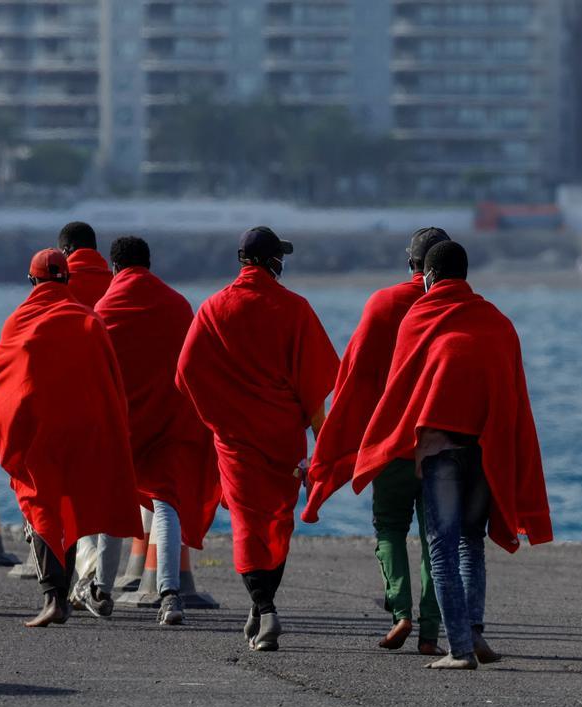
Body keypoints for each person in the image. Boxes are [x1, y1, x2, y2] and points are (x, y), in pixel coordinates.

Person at [352, 241, 553, 669]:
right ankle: (474, 633)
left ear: (427, 275)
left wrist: (381, 447)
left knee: (441, 548)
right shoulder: (497, 322)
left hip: (440, 455)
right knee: (470, 544)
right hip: (485, 454)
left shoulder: (418, 318)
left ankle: (459, 648)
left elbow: (402, 394)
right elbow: (514, 395)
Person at [176, 226, 339, 651]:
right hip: (284, 437)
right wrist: (324, 439)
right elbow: (316, 382)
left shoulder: (213, 309)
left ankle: (263, 607)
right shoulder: (295, 308)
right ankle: (264, 605)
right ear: (272, 263)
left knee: (247, 524)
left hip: (234, 438)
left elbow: (185, 374)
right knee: (277, 523)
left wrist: (214, 418)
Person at [303, 227, 451, 655]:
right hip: (440, 443)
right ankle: (430, 632)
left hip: (391, 445)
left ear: (411, 264)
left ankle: (400, 611)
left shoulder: (384, 305)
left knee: (389, 528)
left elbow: (353, 378)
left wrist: (336, 441)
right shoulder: (456, 309)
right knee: (435, 538)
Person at [0, 249, 142, 628]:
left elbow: (1, 374)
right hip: (84, 430)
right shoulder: (89, 319)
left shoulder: (20, 320)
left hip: (39, 432)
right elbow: (111, 385)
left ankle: (53, 596)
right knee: (71, 508)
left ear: (33, 280)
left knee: (41, 507)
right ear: (67, 279)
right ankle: (66, 593)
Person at [92, 236, 222, 625]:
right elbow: (194, 365)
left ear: (114, 268)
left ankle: (101, 590)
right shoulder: (177, 305)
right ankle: (170, 596)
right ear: (148, 265)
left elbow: (96, 372)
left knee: (114, 506)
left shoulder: (104, 308)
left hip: (122, 425)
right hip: (167, 424)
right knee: (166, 506)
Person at [55, 220, 122, 613]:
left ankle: (84, 579)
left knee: (71, 501)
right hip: (114, 409)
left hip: (67, 409)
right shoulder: (118, 284)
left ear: (64, 252)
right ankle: (97, 584)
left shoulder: (60, 285)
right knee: (108, 500)